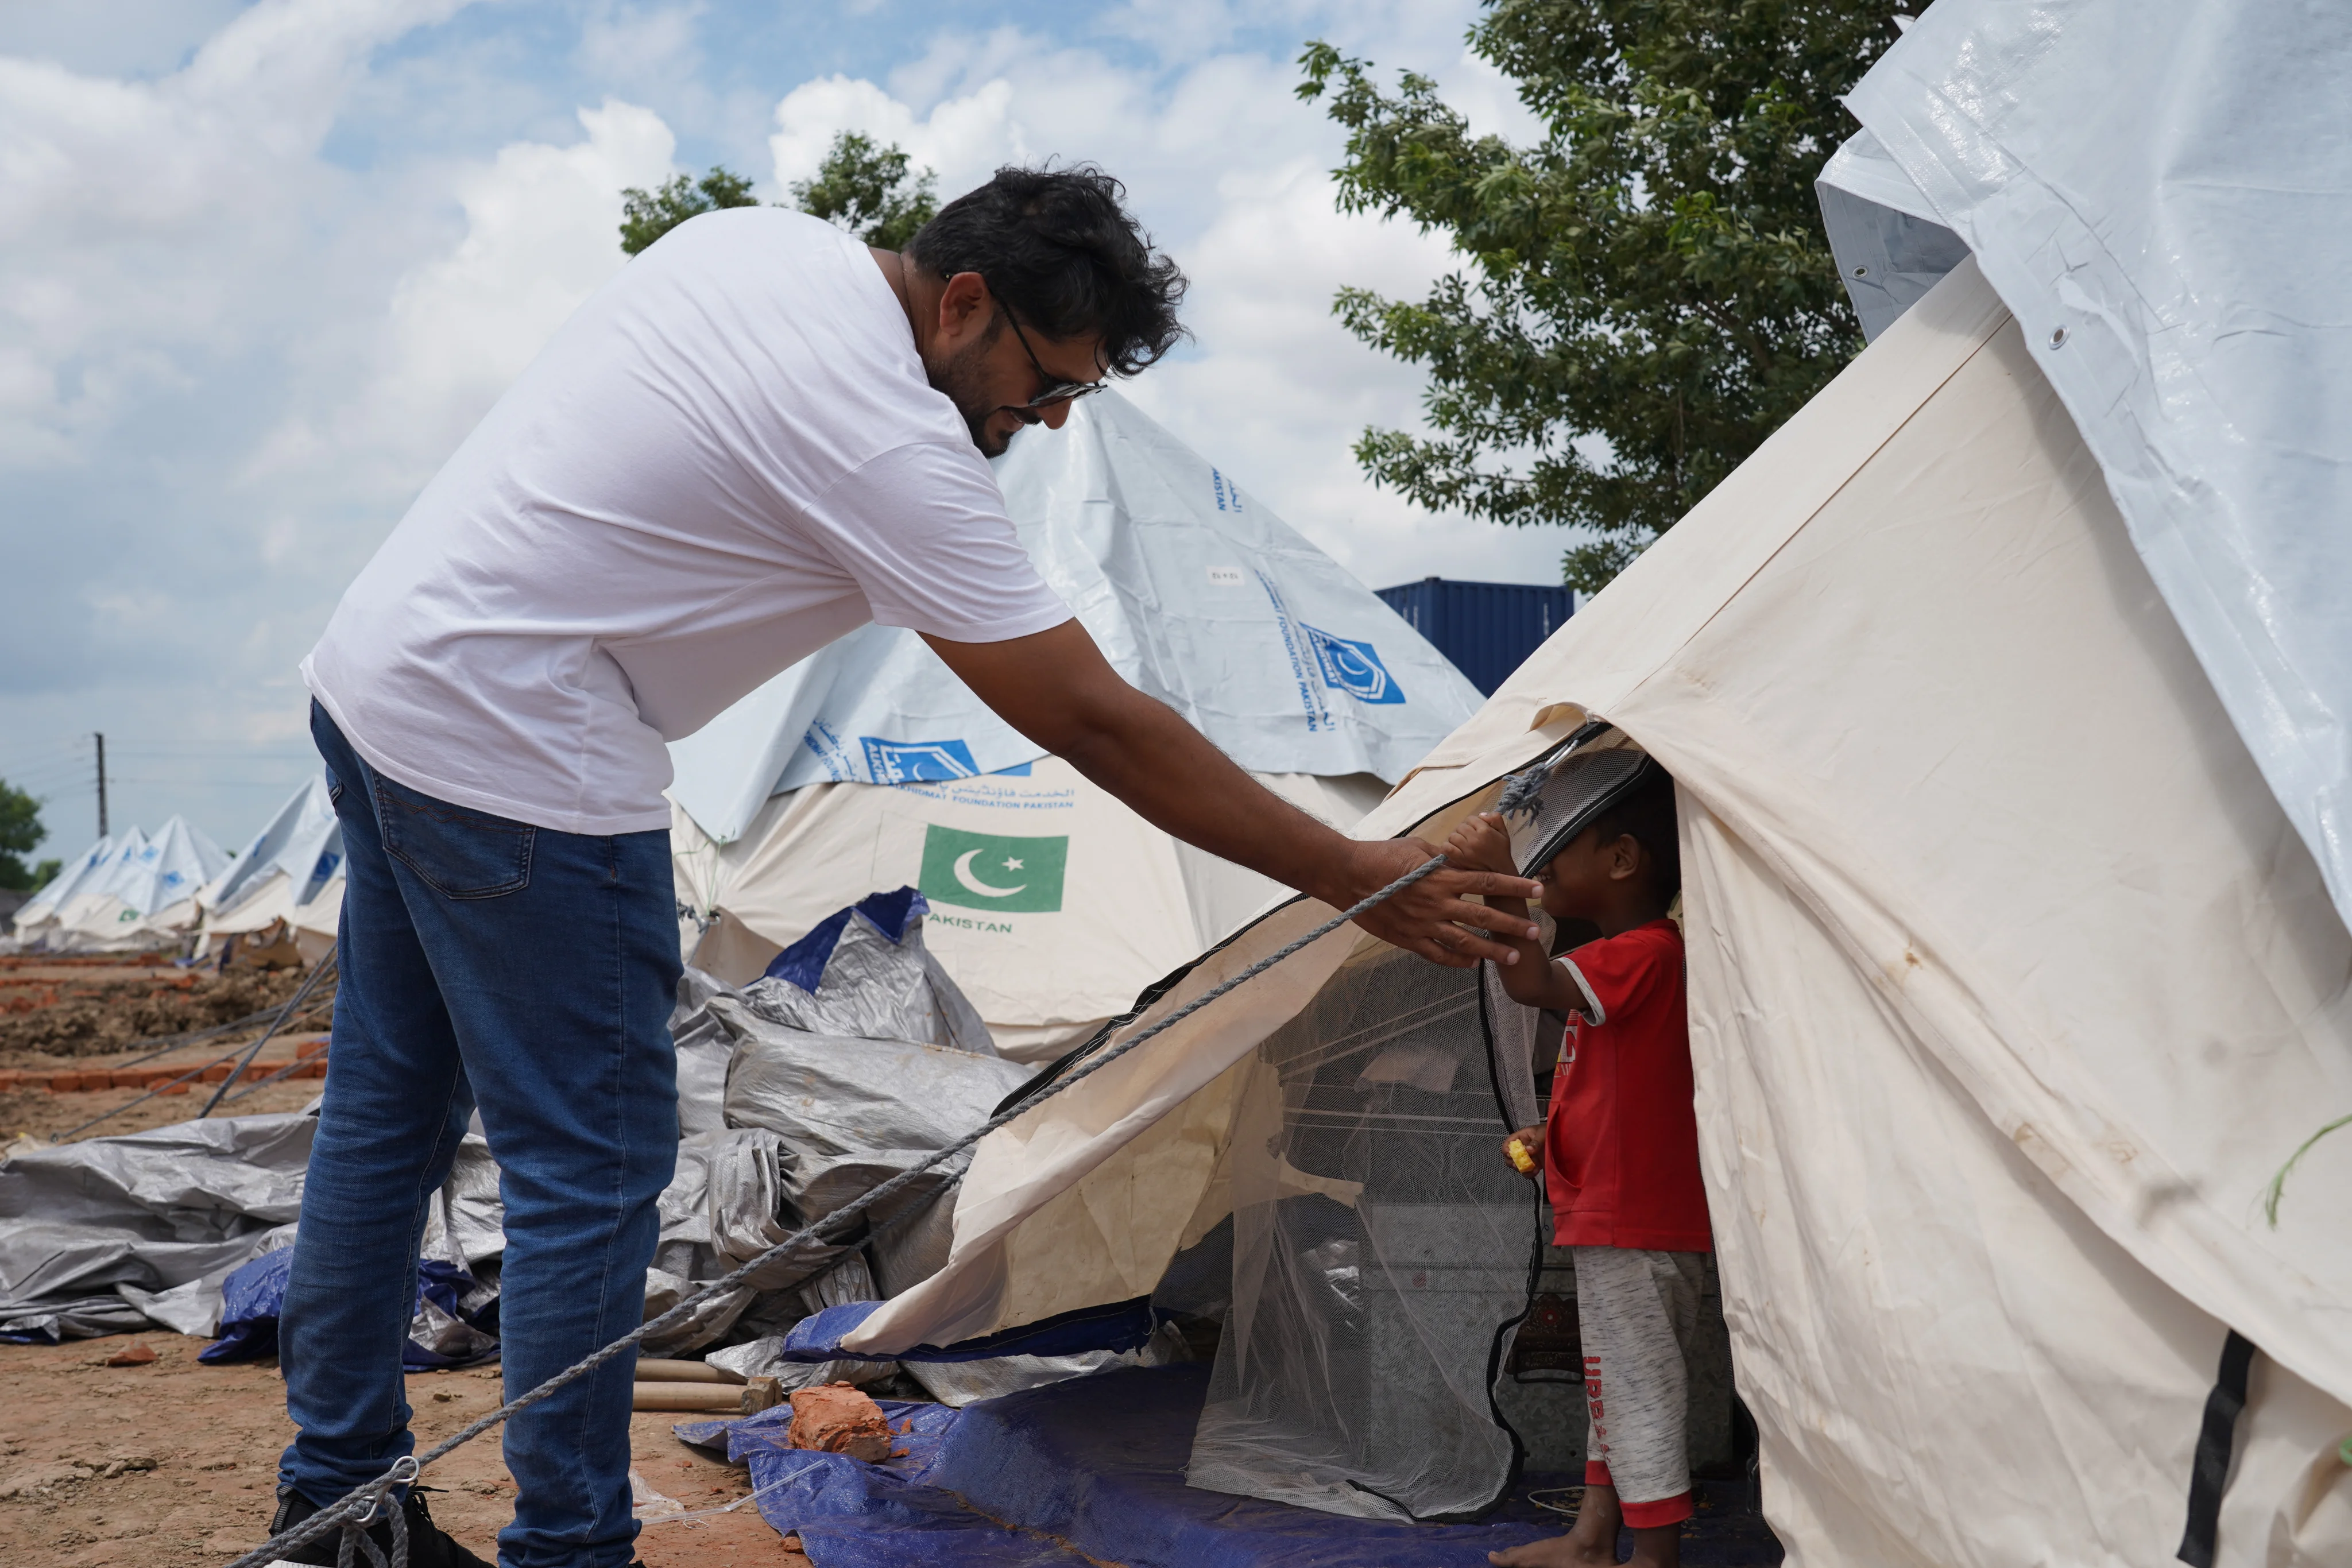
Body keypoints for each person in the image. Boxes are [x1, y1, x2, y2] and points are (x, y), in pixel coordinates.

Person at [269, 164, 1543, 1568]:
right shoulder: (889, 444)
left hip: (385, 672)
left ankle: (337, 1508)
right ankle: (573, 1550)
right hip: (526, 751)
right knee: (593, 1166)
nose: (1050, 418)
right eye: (1043, 378)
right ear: (961, 303)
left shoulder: (760, 247)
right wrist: (1360, 869)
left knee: (384, 1117)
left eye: (1077, 397)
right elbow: (1089, 714)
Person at [1443, 762, 1709, 1568]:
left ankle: (1654, 1556)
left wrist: (1498, 884)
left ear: (1624, 860)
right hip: (1622, 1210)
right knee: (1615, 1382)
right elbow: (1618, 1087)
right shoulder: (1633, 963)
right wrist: (1550, 1132)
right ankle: (1595, 1536)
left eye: (1562, 845)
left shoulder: (1641, 953)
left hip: (1634, 1219)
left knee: (1635, 1388)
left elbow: (1528, 981)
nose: (1544, 861)